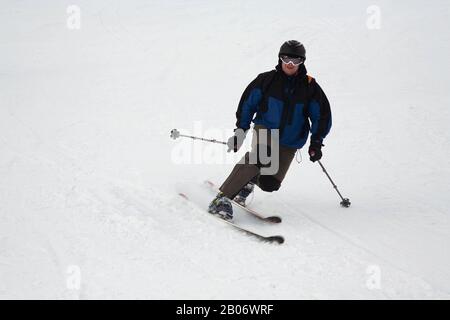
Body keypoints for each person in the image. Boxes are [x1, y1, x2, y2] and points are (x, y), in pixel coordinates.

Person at [208, 40, 332, 220]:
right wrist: (241, 131)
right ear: (280, 58)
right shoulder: (266, 80)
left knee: (269, 183)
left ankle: (247, 182)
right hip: (265, 128)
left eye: (295, 60)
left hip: (290, 140)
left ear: (302, 62)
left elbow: (321, 116)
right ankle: (222, 198)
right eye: (286, 58)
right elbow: (247, 105)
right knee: (261, 155)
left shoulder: (310, 87)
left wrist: (316, 142)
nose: (290, 64)